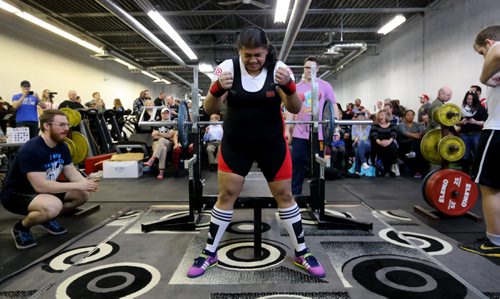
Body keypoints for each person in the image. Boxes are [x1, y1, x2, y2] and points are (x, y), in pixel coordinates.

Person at [187, 26, 325, 278]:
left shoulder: (279, 68)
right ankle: (209, 253)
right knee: (226, 194)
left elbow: (294, 108)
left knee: (285, 195)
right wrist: (217, 88)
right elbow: (209, 108)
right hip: (235, 143)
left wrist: (291, 87)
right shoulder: (225, 68)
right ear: (239, 51)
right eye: (247, 55)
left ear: (267, 50)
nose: (252, 60)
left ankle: (302, 252)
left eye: (258, 55)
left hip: (271, 143)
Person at [0, 110, 99, 249]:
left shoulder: (62, 146)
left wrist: (85, 183)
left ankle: (45, 217)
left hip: (44, 191)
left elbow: (70, 171)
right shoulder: (32, 149)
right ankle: (21, 227)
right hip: (17, 195)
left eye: (67, 125)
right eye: (62, 125)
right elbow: (41, 187)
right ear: (47, 126)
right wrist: (77, 185)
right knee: (53, 205)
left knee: (82, 194)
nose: (67, 129)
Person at [459, 25, 500, 257]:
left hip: (497, 131)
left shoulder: (495, 48)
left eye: (481, 53)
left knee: (490, 187)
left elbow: (497, 51)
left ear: (487, 43)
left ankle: (494, 242)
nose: (483, 58)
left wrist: (484, 77)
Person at [290, 56, 337, 196]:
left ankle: (317, 197)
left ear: (317, 69)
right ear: (303, 69)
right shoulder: (296, 88)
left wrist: (335, 126)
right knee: (297, 164)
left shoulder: (325, 85)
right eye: (306, 67)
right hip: (300, 132)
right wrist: (288, 129)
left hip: (320, 133)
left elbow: (332, 106)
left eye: (312, 67)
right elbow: (291, 110)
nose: (309, 70)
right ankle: (295, 196)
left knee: (317, 166)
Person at [456, 90, 487, 174]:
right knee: (465, 155)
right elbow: (455, 122)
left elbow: (485, 122)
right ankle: (464, 174)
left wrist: (475, 122)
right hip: (464, 135)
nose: (470, 101)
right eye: (468, 99)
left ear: (475, 99)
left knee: (477, 155)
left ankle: (476, 174)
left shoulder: (480, 108)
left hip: (476, 135)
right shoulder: (461, 109)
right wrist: (461, 122)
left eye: (472, 99)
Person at [144, 108, 175, 179]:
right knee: (163, 148)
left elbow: (170, 135)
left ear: (169, 114)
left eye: (167, 113)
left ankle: (152, 159)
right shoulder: (157, 123)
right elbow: (154, 135)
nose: (165, 114)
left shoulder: (172, 123)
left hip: (168, 143)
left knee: (162, 140)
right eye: (164, 113)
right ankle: (161, 173)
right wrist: (165, 134)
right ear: (161, 114)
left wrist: (158, 132)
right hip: (156, 143)